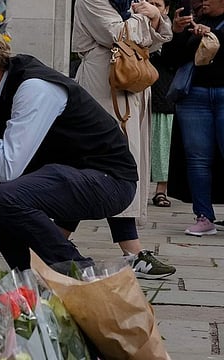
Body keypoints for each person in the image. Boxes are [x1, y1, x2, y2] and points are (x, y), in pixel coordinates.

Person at [0, 22, 162, 278]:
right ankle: (25, 270)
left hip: (109, 180)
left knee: (6, 195)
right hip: (68, 172)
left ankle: (79, 270)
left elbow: (7, 169)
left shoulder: (33, 87)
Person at [70, 0, 176, 278]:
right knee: (102, 165)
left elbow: (154, 42)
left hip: (129, 82)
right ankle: (131, 253)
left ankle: (51, 241)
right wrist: (148, 17)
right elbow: (118, 33)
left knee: (111, 167)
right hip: (103, 85)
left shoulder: (128, 0)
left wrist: (153, 18)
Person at [162, 0, 224, 236]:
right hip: (194, 96)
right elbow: (170, 61)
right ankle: (203, 216)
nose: (202, 1)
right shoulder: (193, 20)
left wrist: (213, 35)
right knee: (197, 159)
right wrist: (177, 32)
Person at [149, 0, 175, 207]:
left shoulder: (173, 32)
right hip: (137, 93)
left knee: (162, 146)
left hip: (163, 95)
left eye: (157, 3)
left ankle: (161, 190)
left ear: (165, 9)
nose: (152, 6)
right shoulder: (133, 25)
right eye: (149, 2)